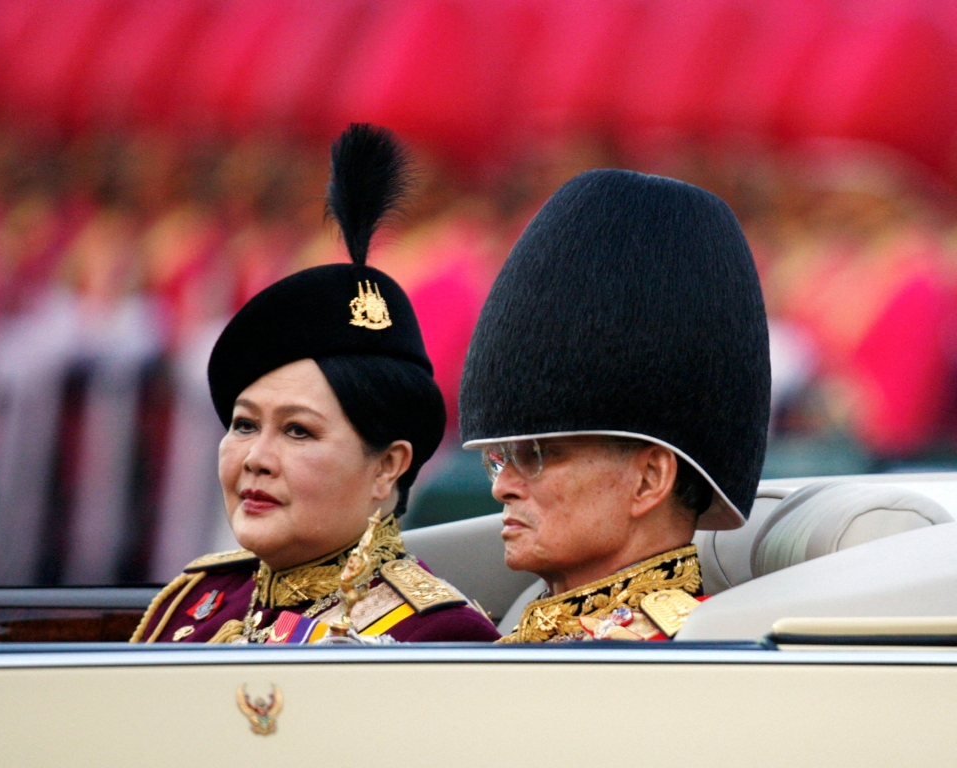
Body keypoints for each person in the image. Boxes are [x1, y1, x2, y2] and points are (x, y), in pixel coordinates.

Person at [132, 125, 499, 644]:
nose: (256, 457)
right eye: (243, 425)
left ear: (388, 466)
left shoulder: (432, 635)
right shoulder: (195, 601)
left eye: (298, 431)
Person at [459, 169, 770, 643]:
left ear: (648, 480)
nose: (503, 486)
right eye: (499, 459)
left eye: (538, 456)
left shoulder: (671, 655)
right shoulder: (539, 630)